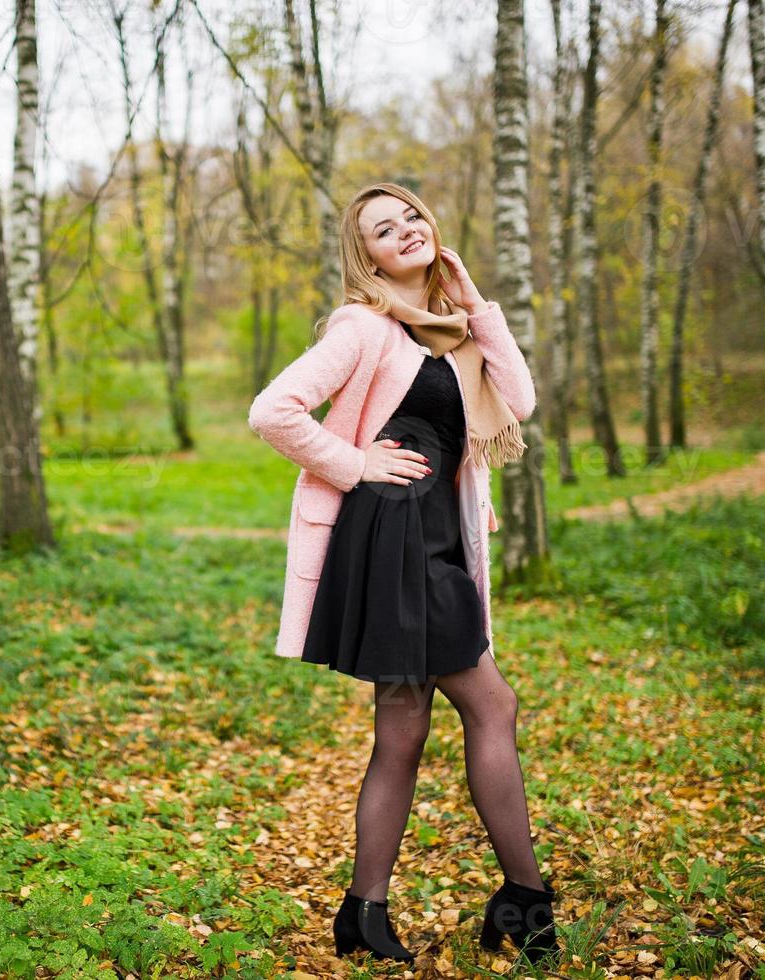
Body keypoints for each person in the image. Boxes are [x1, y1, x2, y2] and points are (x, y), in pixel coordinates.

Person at [247, 183, 561, 966]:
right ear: (369, 258)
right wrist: (353, 463)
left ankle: (363, 911)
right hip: (395, 540)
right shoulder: (363, 328)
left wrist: (475, 303)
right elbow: (273, 410)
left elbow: (517, 400)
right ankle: (523, 900)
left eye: (412, 216)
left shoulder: (451, 330)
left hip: (433, 536)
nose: (406, 231)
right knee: (491, 702)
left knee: (405, 725)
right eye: (385, 230)